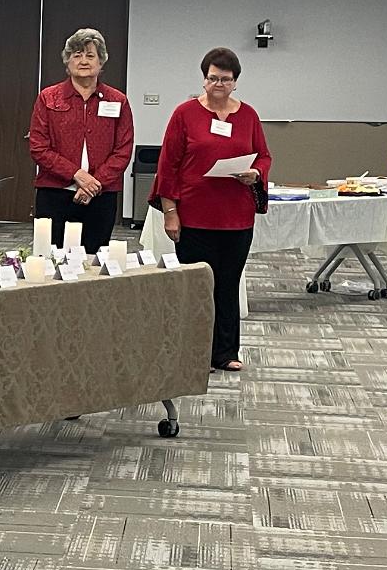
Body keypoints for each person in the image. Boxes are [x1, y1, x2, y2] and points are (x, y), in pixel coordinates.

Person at [149, 47, 272, 372]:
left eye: (225, 79)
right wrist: (170, 211)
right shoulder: (185, 113)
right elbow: (168, 165)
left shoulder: (248, 115)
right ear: (204, 79)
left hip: (236, 218)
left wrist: (255, 173)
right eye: (213, 78)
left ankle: (225, 353)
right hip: (194, 217)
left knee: (228, 286)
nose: (219, 84)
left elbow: (263, 155)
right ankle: (193, 354)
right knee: (197, 287)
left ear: (235, 82)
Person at [29, 27, 134, 254]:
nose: (83, 61)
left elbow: (123, 150)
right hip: (55, 194)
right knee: (51, 259)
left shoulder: (118, 100)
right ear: (67, 62)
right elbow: (38, 147)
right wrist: (77, 175)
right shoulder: (48, 97)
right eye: (77, 55)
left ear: (101, 61)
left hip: (101, 195)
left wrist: (94, 184)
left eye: (90, 55)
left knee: (93, 261)